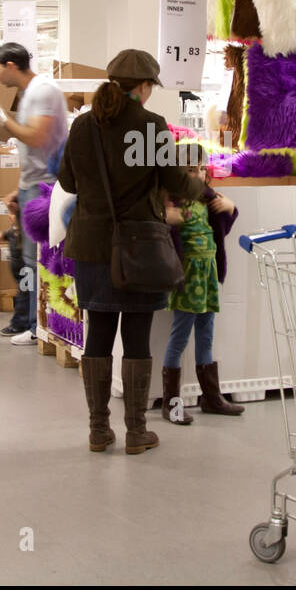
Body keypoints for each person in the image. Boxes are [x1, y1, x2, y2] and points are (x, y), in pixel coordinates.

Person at [58, 50, 205, 455]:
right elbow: (175, 180)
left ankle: (98, 430)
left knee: (99, 335)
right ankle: (137, 432)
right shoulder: (150, 126)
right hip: (139, 246)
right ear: (143, 87)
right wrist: (200, 185)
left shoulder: (84, 125)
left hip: (91, 247)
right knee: (137, 336)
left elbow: (68, 182)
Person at [0, 43, 67, 344]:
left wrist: (3, 119)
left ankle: (37, 328)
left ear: (11, 65)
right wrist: (18, 188)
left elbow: (37, 136)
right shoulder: (32, 92)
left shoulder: (43, 90)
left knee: (35, 260)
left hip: (44, 185)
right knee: (24, 258)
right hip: (31, 184)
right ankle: (29, 321)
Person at [161, 142, 243, 424]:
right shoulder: (172, 202)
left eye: (198, 169)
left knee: (206, 333)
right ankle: (171, 403)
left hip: (207, 275)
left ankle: (211, 397)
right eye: (188, 170)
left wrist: (230, 207)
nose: (195, 175)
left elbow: (223, 226)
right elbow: (158, 233)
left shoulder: (209, 200)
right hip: (187, 277)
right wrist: (165, 218)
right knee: (180, 336)